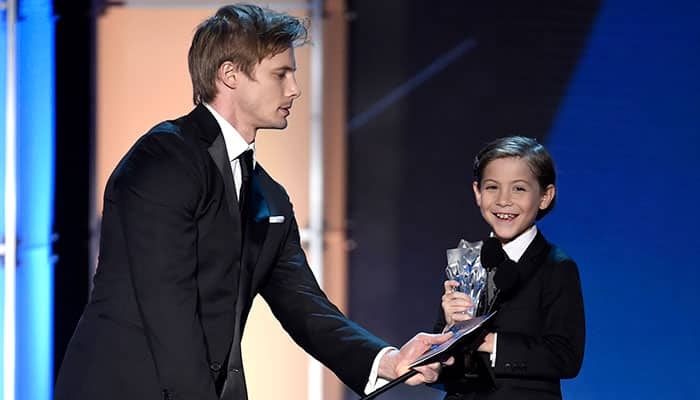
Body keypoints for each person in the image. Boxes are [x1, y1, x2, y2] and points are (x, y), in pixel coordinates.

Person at [54, 4, 451, 400]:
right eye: (281, 74)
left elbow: (304, 304)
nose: (294, 88)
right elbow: (167, 309)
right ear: (230, 75)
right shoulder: (164, 159)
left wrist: (387, 360)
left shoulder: (268, 196)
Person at [435, 136, 585, 399]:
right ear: (477, 193)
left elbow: (565, 356)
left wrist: (487, 342)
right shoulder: (466, 261)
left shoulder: (557, 267)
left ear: (545, 196)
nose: (504, 200)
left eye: (519, 189)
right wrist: (448, 329)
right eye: (492, 187)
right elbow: (439, 365)